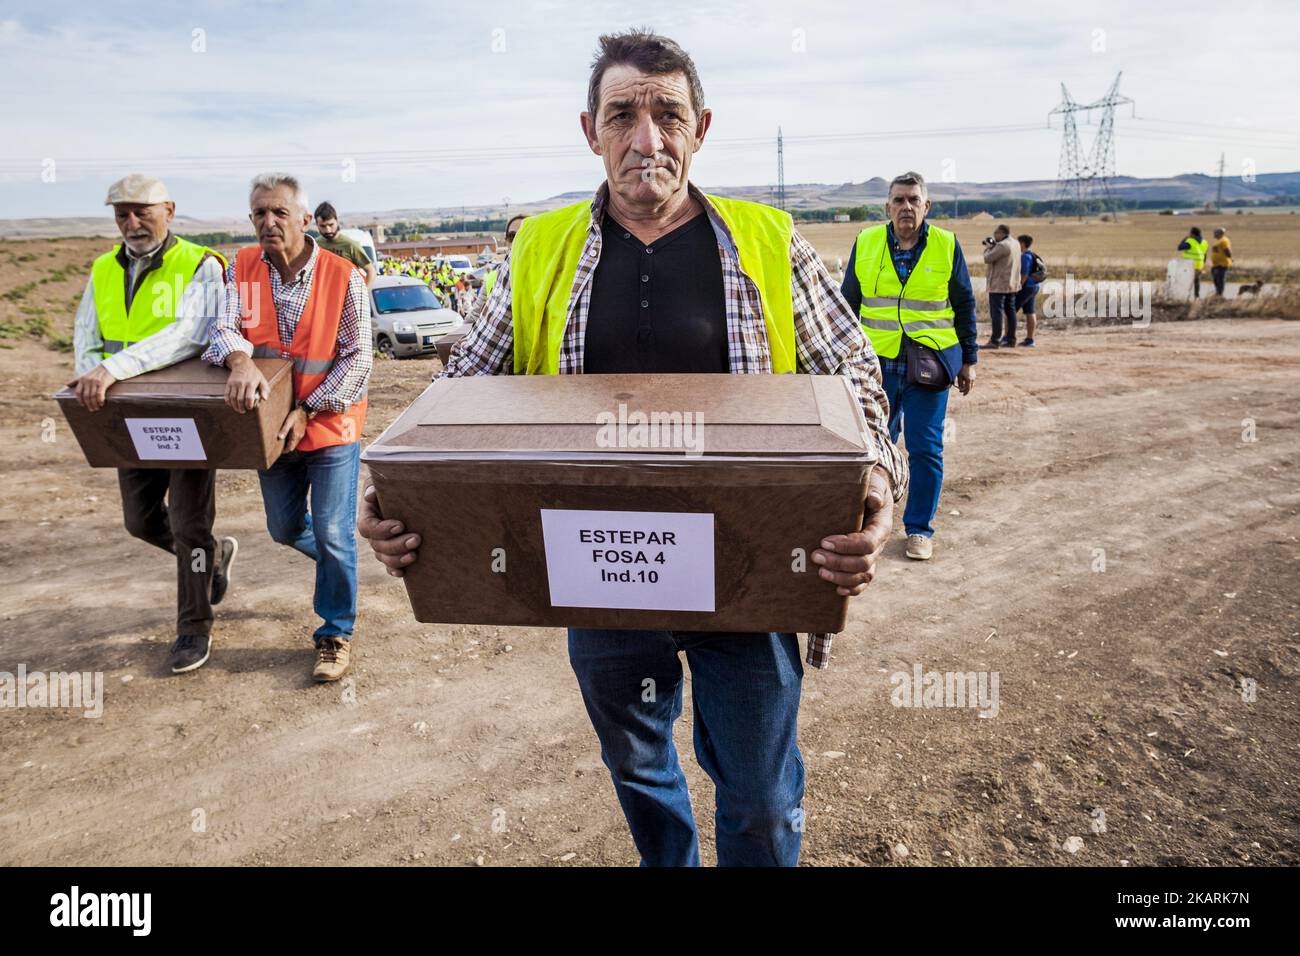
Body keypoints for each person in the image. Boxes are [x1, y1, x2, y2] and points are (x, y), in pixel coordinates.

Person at [359, 29, 908, 867]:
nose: (645, 139)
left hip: (749, 571)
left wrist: (876, 477)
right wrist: (394, 490)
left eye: (667, 114)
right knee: (637, 764)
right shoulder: (537, 249)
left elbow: (855, 373)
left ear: (702, 127)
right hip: (601, 570)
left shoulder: (768, 240)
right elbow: (463, 385)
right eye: (623, 115)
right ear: (591, 131)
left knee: (759, 796)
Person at [202, 173, 373, 682]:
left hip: (331, 425)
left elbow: (358, 358)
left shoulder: (343, 275)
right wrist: (238, 360)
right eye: (259, 213)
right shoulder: (243, 267)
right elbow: (223, 324)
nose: (267, 222)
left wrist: (309, 409)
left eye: (278, 212)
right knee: (283, 528)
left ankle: (334, 632)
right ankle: (339, 564)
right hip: (269, 429)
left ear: (303, 218)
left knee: (332, 529)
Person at [67, 174, 236, 674]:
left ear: (169, 209)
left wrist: (111, 370)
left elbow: (191, 335)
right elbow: (87, 333)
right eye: (122, 213)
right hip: (126, 412)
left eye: (142, 211)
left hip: (185, 411)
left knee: (188, 524)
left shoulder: (202, 264)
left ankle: (193, 628)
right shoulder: (102, 268)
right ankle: (215, 557)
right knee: (140, 521)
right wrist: (88, 375)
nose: (132, 222)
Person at [841, 171, 977, 561]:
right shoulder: (866, 242)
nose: (906, 207)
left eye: (913, 200)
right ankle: (863, 523)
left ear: (926, 206)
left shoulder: (946, 245)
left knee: (925, 450)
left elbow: (964, 304)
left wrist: (969, 359)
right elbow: (848, 304)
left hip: (929, 365)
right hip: (875, 367)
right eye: (898, 200)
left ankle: (919, 529)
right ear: (888, 206)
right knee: (868, 448)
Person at [313, 201, 377, 287]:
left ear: (337, 221)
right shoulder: (315, 245)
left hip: (346, 294)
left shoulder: (350, 245)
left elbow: (371, 271)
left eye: (331, 225)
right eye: (323, 226)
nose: (328, 230)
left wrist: (363, 295)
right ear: (317, 224)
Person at [981, 223, 1021, 348]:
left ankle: (995, 340)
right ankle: (1011, 339)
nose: (995, 236)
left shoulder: (1003, 245)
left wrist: (988, 247)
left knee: (996, 313)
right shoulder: (1015, 243)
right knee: (1011, 312)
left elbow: (987, 258)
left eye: (996, 233)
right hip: (1012, 283)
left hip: (999, 284)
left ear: (1001, 233)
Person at [1016, 234, 1042, 347]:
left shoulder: (1025, 256)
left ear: (1022, 243)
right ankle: (1030, 339)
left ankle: (1008, 337)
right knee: (1030, 311)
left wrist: (1019, 287)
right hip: (1034, 286)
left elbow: (1024, 274)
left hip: (1026, 287)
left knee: (1010, 310)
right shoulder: (1032, 254)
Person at [1179, 226, 1208, 299]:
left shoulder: (1190, 241)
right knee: (1196, 281)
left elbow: (1179, 247)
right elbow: (1204, 255)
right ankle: (1196, 297)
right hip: (1199, 265)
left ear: (1192, 234)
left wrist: (1184, 239)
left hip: (1190, 265)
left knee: (1187, 282)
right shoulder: (1204, 242)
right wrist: (1203, 265)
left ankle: (1186, 297)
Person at [1209, 227, 1232, 296]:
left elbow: (1227, 251)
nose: (1214, 234)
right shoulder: (1218, 241)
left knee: (1220, 280)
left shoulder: (1223, 241)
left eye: (1216, 232)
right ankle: (1217, 293)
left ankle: (1219, 294)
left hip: (1222, 264)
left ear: (1220, 233)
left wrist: (1230, 257)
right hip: (1216, 264)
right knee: (1216, 279)